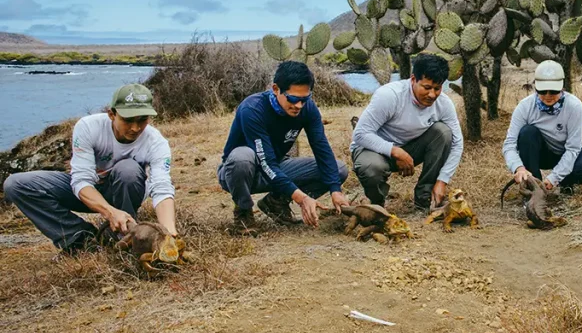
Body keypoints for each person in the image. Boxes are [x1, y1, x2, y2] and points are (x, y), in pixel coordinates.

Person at [3, 84, 179, 255]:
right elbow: (81, 181)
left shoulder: (156, 142)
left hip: (124, 190)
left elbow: (161, 188)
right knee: (16, 184)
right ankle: (81, 240)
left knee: (128, 169)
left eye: (142, 120)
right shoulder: (89, 127)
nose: (135, 128)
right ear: (112, 114)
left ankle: (123, 236)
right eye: (127, 120)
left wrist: (169, 233)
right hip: (89, 191)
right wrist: (110, 212)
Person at [218, 61, 349, 234]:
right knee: (242, 157)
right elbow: (265, 162)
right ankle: (243, 213)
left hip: (276, 168)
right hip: (241, 173)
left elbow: (321, 148)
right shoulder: (252, 109)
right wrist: (301, 198)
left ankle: (276, 202)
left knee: (338, 170)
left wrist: (335, 190)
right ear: (275, 89)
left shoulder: (307, 109)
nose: (298, 106)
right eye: (293, 99)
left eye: (304, 99)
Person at [351, 53, 463, 210]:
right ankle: (376, 206)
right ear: (413, 79)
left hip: (410, 150)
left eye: (437, 88)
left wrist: (442, 181)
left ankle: (425, 199)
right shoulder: (390, 95)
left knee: (443, 132)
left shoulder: (444, 104)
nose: (432, 94)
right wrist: (395, 152)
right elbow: (360, 134)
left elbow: (457, 143)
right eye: (427, 87)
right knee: (371, 168)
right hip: (373, 149)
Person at [502, 60, 582, 192]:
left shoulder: (574, 107)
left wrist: (554, 177)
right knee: (527, 133)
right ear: (536, 87)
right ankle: (534, 188)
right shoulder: (525, 106)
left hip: (566, 151)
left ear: (562, 87)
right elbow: (509, 144)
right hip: (541, 153)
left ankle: (565, 183)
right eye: (542, 91)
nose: (548, 96)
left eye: (553, 91)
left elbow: (572, 149)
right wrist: (518, 168)